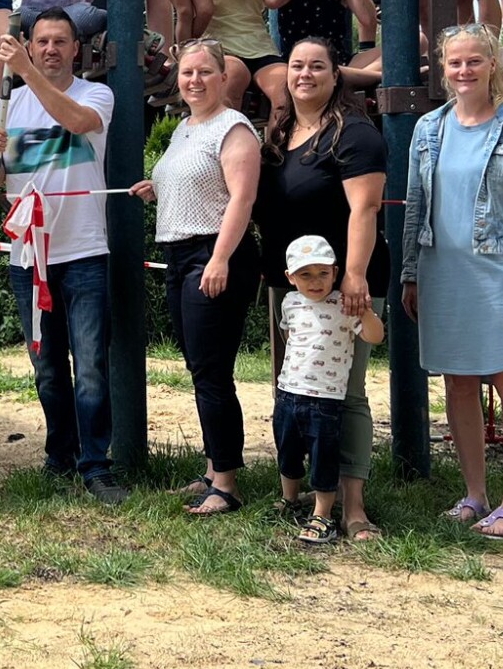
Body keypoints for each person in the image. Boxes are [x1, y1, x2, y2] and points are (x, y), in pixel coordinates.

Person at [400, 23, 503, 541]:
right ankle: (474, 494)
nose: (463, 70)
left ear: (493, 65)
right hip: (441, 270)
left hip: (499, 273)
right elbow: (415, 207)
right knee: (457, 382)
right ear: (442, 69)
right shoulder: (428, 129)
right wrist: (411, 273)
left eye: (473, 61)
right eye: (454, 62)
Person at [0, 11, 127, 504]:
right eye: (41, 42)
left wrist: (25, 71)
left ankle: (96, 465)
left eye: (59, 42)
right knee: (46, 367)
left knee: (89, 365)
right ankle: (59, 456)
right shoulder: (9, 103)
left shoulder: (94, 94)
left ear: (76, 49)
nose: (49, 49)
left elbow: (78, 122)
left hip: (83, 249)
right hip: (28, 256)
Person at [253, 36, 388, 540]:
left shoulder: (355, 133)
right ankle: (302, 493)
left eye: (316, 66)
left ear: (337, 76)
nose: (304, 74)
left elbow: (365, 209)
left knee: (345, 395)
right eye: (296, 66)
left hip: (341, 287)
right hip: (288, 287)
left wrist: (355, 276)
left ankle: (353, 507)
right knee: (294, 388)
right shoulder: (281, 131)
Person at [129, 39, 260, 517]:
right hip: (181, 254)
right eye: (187, 73)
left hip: (213, 254)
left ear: (224, 78)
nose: (194, 81)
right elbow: (192, 182)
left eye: (205, 72)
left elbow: (241, 199)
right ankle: (212, 469)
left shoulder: (233, 127)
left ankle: (225, 485)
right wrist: (156, 186)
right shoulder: (185, 127)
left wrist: (220, 259)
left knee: (211, 372)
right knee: (200, 367)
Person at [275, 236, 385, 546]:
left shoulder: (344, 304)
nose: (315, 282)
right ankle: (290, 499)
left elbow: (376, 337)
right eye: (305, 274)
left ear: (335, 273)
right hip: (288, 393)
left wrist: (365, 312)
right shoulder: (290, 302)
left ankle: (322, 513)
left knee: (324, 457)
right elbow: (291, 339)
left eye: (322, 273)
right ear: (290, 277)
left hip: (326, 398)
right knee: (288, 451)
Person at [264, 0, 381, 90]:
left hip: (338, 63)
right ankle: (365, 77)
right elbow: (270, 0)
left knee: (396, 50)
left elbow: (369, 20)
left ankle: (343, 77)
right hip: (300, 67)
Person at [202, 0, 286, 118]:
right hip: (223, 50)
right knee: (229, 81)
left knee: (286, 93)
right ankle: (225, 145)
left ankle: (277, 147)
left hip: (260, 51)